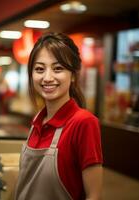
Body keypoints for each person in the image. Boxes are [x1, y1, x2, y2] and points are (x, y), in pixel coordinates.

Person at [14, 33, 103, 200]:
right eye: (40, 69)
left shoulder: (84, 122)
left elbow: (94, 196)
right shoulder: (37, 121)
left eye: (58, 69)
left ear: (74, 75)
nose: (47, 78)